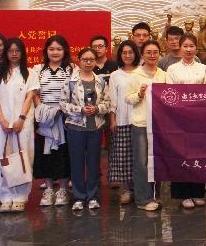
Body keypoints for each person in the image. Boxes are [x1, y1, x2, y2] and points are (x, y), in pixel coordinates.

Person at [0, 38, 35, 213]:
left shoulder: (30, 73)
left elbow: (30, 97)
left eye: (17, 51)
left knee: (24, 157)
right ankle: (5, 196)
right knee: (2, 158)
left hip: (23, 122)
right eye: (10, 51)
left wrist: (21, 119)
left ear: (22, 53)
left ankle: (21, 196)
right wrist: (2, 120)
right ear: (6, 53)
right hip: (2, 125)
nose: (14, 54)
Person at [60, 48, 111, 211]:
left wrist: (97, 109)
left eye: (91, 59)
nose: (88, 62)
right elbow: (63, 104)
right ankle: (78, 197)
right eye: (85, 59)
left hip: (95, 127)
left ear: (95, 61)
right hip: (76, 127)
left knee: (94, 163)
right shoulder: (70, 81)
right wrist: (80, 110)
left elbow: (108, 103)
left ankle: (93, 196)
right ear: (79, 60)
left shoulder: (101, 81)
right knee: (76, 163)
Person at [165, 34, 206, 208]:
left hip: (199, 118)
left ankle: (198, 192)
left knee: (198, 155)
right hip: (179, 119)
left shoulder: (203, 68)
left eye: (192, 46)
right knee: (181, 155)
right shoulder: (172, 69)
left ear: (196, 48)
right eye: (185, 46)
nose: (189, 49)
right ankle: (183, 194)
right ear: (180, 47)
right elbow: (170, 94)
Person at [29, 35, 74, 208]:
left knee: (63, 154)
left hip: (65, 118)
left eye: (59, 49)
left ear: (65, 51)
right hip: (44, 119)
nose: (55, 52)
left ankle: (63, 189)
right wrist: (43, 112)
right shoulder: (38, 69)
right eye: (51, 49)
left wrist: (61, 111)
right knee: (45, 154)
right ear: (46, 51)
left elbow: (74, 93)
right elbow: (34, 92)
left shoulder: (71, 69)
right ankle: (48, 189)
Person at [126, 40, 165, 211]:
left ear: (159, 54)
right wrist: (140, 94)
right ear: (142, 55)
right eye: (148, 52)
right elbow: (128, 98)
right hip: (141, 124)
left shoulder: (163, 75)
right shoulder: (135, 75)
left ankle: (155, 195)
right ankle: (142, 199)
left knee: (156, 161)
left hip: (159, 124)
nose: (152, 55)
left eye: (155, 52)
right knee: (141, 162)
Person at [107, 40, 140, 205]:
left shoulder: (142, 72)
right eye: (124, 53)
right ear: (120, 55)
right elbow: (112, 100)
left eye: (130, 52)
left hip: (140, 121)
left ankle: (140, 189)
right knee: (124, 157)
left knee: (139, 157)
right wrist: (113, 119)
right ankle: (127, 190)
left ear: (136, 54)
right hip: (122, 120)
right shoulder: (115, 75)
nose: (127, 55)